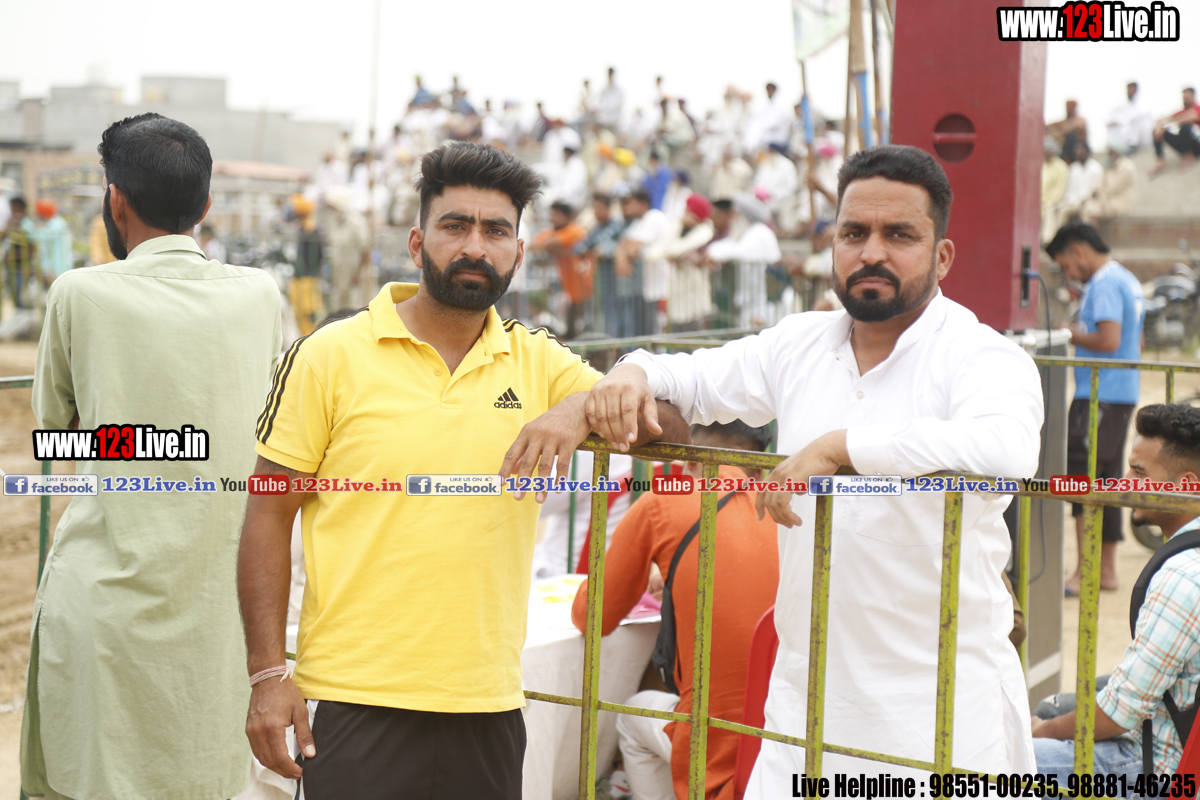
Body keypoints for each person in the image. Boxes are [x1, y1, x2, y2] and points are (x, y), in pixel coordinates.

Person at [582, 144, 1045, 787]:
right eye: (854, 233)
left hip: (937, 702)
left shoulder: (983, 356)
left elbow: (1004, 449)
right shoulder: (802, 342)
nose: (872, 252)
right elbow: (686, 376)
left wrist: (841, 447)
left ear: (942, 256)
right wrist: (631, 373)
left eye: (899, 234)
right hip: (805, 695)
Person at [239, 142, 687, 798]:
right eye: (456, 226)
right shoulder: (327, 355)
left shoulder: (539, 362)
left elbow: (667, 430)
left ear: (519, 253)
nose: (475, 246)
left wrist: (582, 405)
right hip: (354, 697)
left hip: (487, 703)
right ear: (417, 243)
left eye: (495, 231)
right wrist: (265, 675)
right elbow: (267, 512)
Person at [21, 112, 282, 800]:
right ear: (206, 205)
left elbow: (57, 432)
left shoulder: (78, 292)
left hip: (105, 599)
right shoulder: (260, 294)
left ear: (116, 202)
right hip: (217, 606)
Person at [572, 420, 779, 800]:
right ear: (761, 463)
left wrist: (645, 565)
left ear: (690, 456)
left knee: (633, 715)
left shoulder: (664, 502)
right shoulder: (790, 508)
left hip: (713, 753)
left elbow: (591, 616)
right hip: (787, 746)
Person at [1033, 403, 1200, 780]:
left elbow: (1120, 713)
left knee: (994, 760)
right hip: (1175, 736)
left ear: (1186, 484)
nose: (1124, 481)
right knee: (1054, 706)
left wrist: (1040, 732)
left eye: (1139, 472)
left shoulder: (1183, 576)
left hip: (1158, 766)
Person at [1048, 222, 1144, 595]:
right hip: (1121, 392)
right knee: (1105, 482)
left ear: (1078, 251)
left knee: (1084, 480)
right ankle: (1103, 571)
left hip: (1099, 395)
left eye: (1065, 265)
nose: (1069, 274)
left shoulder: (1104, 283)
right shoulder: (1126, 278)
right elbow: (1134, 339)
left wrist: (1068, 331)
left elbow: (1108, 339)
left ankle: (1084, 574)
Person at [704, 193, 781, 328]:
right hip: (750, 299)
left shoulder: (759, 232)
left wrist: (715, 254)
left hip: (761, 300)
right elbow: (730, 246)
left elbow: (739, 252)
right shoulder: (750, 232)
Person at [576, 192, 632, 338]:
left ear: (608, 208)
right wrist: (587, 250)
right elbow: (580, 246)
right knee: (601, 319)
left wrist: (600, 251)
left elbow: (611, 245)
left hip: (618, 283)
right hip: (601, 285)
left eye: (600, 208)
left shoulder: (617, 225)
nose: (597, 212)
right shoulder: (595, 228)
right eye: (594, 208)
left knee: (619, 319)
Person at [530, 201, 590, 338]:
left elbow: (551, 243)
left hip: (586, 286)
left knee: (586, 324)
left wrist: (553, 247)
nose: (553, 219)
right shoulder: (553, 231)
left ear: (568, 217)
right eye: (552, 215)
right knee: (571, 325)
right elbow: (533, 245)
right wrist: (556, 248)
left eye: (557, 215)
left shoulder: (575, 230)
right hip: (569, 288)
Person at [618, 188, 671, 336]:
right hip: (650, 287)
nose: (627, 207)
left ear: (642, 203)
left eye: (630, 203)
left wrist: (624, 253)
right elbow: (622, 244)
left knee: (661, 330)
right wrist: (622, 257)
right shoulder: (638, 222)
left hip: (662, 285)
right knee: (651, 329)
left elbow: (632, 250)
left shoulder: (654, 217)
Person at [323, 186, 371, 310]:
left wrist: (359, 272)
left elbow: (365, 249)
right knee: (337, 304)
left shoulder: (356, 222)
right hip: (338, 272)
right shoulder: (333, 222)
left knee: (353, 304)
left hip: (353, 272)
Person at [1080, 140, 1138, 225]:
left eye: (1112, 152)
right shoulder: (1108, 165)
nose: (1109, 154)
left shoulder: (1127, 167)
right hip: (1106, 200)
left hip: (1121, 202)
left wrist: (1099, 194)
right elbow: (1099, 184)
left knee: (1091, 209)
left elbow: (1113, 189)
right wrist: (1096, 191)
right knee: (1087, 206)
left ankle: (1090, 233)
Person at [289, 194, 324, 336]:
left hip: (308, 278)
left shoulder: (311, 230)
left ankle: (309, 338)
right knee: (299, 312)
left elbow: (318, 255)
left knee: (308, 313)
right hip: (300, 277)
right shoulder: (303, 228)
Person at [1151, 86, 1200, 175]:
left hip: (1197, 145)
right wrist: (1158, 126)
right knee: (1156, 131)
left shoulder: (1197, 108)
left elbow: (1192, 117)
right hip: (1184, 145)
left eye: (1187, 98)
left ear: (1193, 96)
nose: (1185, 100)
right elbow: (1162, 119)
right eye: (1184, 98)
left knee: (1185, 127)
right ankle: (1160, 160)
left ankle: (1189, 156)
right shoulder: (1182, 112)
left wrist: (1168, 126)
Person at [0, 197, 38, 310]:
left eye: (14, 208)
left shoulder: (27, 224)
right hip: (12, 266)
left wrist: (13, 256)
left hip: (22, 266)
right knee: (13, 291)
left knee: (21, 292)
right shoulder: (14, 223)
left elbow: (32, 247)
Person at [30, 199, 73, 283]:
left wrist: (26, 225)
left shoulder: (56, 225)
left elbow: (37, 237)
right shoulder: (56, 222)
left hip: (57, 268)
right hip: (56, 267)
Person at [1106, 81, 1153, 154]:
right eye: (1128, 89)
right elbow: (1111, 114)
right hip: (1126, 137)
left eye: (1131, 88)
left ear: (1136, 89)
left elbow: (1139, 119)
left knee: (1140, 125)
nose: (1129, 91)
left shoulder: (1144, 104)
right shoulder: (1123, 104)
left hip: (1141, 138)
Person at [1040, 137, 1070, 244]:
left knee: (1050, 210)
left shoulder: (1061, 167)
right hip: (1038, 201)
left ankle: (1047, 240)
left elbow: (1059, 190)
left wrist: (1048, 202)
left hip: (1053, 202)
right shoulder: (1040, 164)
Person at [1047, 99, 1089, 164]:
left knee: (1071, 136)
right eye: (1067, 107)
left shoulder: (1080, 120)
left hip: (1079, 148)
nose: (1068, 109)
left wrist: (1059, 134)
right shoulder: (1065, 121)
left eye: (1070, 107)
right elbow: (1051, 126)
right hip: (1066, 149)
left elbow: (1068, 129)